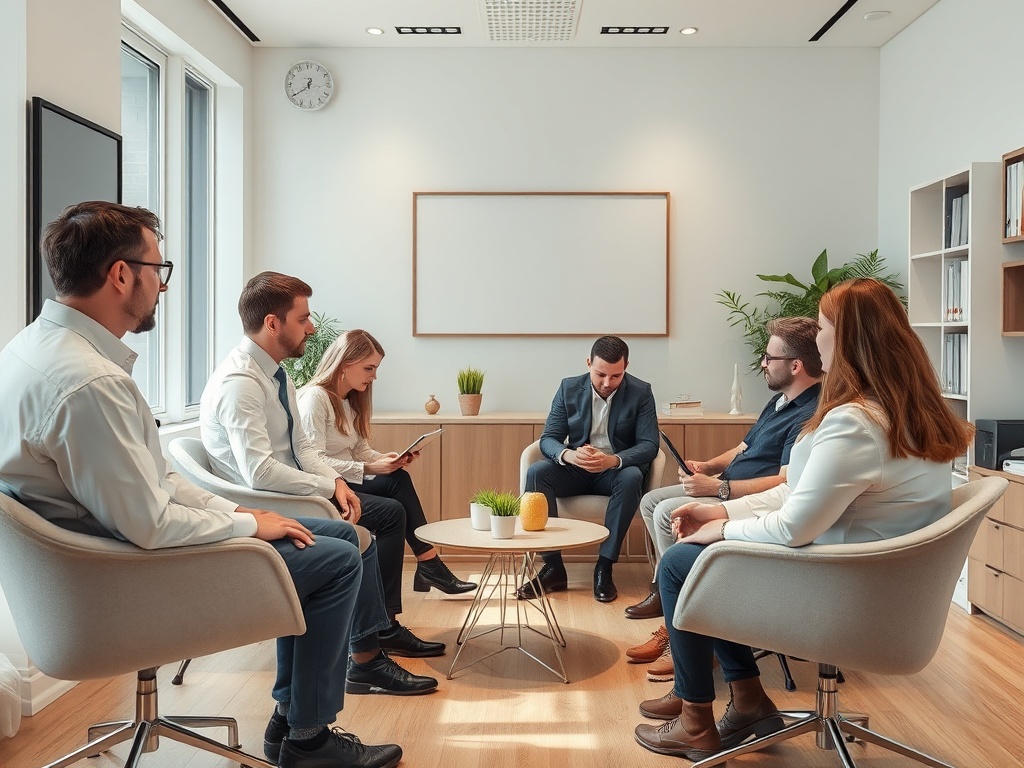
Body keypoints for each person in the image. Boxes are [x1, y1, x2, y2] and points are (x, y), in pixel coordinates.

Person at [0, 202, 403, 768]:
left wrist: (241, 513)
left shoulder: (30, 351)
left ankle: (293, 724)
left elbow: (158, 479)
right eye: (158, 271)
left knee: (332, 541)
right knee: (337, 560)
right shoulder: (88, 383)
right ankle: (307, 739)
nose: (162, 288)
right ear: (121, 275)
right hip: (125, 579)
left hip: (101, 560)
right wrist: (245, 522)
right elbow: (151, 521)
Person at [633, 278, 974, 760]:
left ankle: (697, 721)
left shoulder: (855, 422)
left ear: (849, 341)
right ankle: (748, 701)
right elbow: (800, 493)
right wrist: (722, 510)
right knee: (705, 557)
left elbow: (795, 525)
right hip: (881, 588)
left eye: (824, 327)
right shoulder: (911, 413)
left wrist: (722, 528)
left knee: (682, 564)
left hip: (845, 595)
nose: (817, 339)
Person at [200, 271, 442, 699]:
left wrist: (332, 480)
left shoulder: (278, 376)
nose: (313, 327)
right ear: (273, 324)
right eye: (303, 318)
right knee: (361, 537)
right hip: (265, 503)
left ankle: (369, 652)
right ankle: (369, 654)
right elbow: (259, 473)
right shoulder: (241, 386)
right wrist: (330, 487)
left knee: (373, 523)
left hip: (291, 491)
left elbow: (302, 450)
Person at [625, 317, 822, 682]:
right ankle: (672, 601)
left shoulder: (809, 415)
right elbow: (744, 447)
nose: (762, 363)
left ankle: (684, 619)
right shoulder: (779, 401)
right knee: (652, 502)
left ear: (795, 365)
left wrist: (718, 490)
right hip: (727, 486)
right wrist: (709, 467)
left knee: (671, 510)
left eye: (768, 357)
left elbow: (784, 481)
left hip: (747, 498)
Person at [297, 329, 477, 596]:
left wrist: (387, 458)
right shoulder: (315, 399)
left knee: (398, 478)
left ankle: (428, 563)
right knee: (393, 511)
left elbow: (358, 449)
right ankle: (396, 600)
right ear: (345, 364)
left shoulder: (348, 400)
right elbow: (313, 461)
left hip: (346, 481)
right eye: (369, 368)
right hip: (328, 489)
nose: (374, 376)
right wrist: (370, 468)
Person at [520, 335, 659, 603]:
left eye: (616, 376)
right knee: (537, 472)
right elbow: (548, 437)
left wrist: (613, 460)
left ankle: (604, 567)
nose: (607, 383)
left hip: (614, 472)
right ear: (588, 364)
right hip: (576, 469)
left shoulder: (641, 392)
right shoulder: (568, 388)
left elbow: (649, 445)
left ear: (626, 366)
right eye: (600, 375)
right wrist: (568, 455)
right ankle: (552, 568)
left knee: (631, 476)